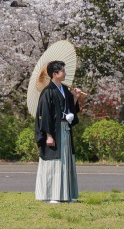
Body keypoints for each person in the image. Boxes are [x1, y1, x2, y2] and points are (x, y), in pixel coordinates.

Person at [34, 60, 83, 203]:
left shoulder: (65, 90)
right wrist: (48, 135)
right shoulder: (48, 92)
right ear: (55, 74)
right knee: (54, 162)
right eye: (62, 71)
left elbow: (69, 109)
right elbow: (45, 114)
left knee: (66, 160)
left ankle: (65, 195)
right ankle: (52, 195)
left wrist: (74, 97)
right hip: (54, 131)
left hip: (65, 130)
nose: (65, 73)